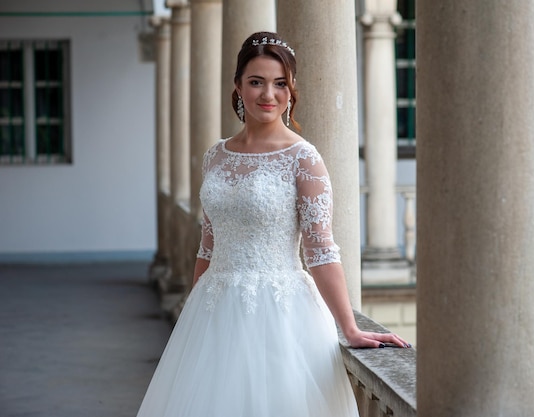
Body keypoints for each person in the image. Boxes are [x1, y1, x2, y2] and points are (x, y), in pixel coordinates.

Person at [136, 31, 410, 417]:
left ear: (291, 89)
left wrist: (349, 327)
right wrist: (194, 308)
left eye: (280, 83)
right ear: (237, 86)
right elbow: (208, 244)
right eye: (256, 82)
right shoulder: (215, 156)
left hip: (279, 314)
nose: (269, 94)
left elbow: (320, 247)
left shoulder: (303, 158)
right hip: (213, 311)